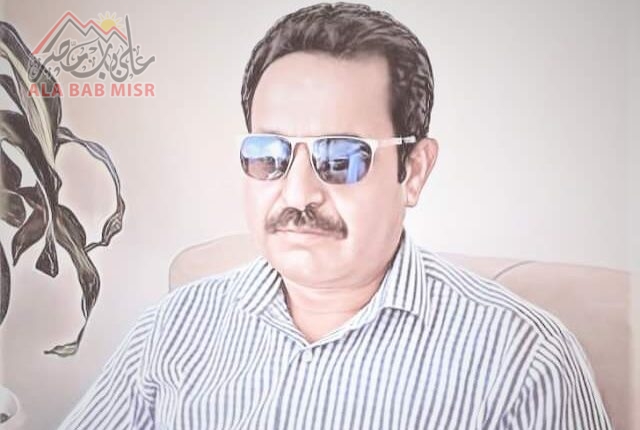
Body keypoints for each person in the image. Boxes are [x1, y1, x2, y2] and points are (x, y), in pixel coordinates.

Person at [59, 3, 612, 429]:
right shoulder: (175, 327)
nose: (299, 192)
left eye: (341, 156)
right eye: (269, 154)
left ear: (414, 171)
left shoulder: (523, 360)